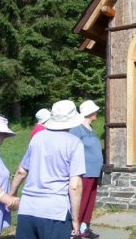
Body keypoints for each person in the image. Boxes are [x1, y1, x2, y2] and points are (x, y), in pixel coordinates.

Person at [10, 100, 85, 239]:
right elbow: (75, 186)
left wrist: (12, 194)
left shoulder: (37, 138)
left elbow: (22, 171)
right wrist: (75, 219)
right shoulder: (74, 143)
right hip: (55, 211)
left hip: (28, 208)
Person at [69, 100, 104, 239]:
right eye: (95, 111)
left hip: (94, 172)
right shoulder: (77, 129)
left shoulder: (91, 128)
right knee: (81, 201)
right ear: (89, 113)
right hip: (84, 172)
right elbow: (70, 148)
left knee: (90, 201)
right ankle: (74, 230)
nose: (97, 113)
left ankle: (84, 228)